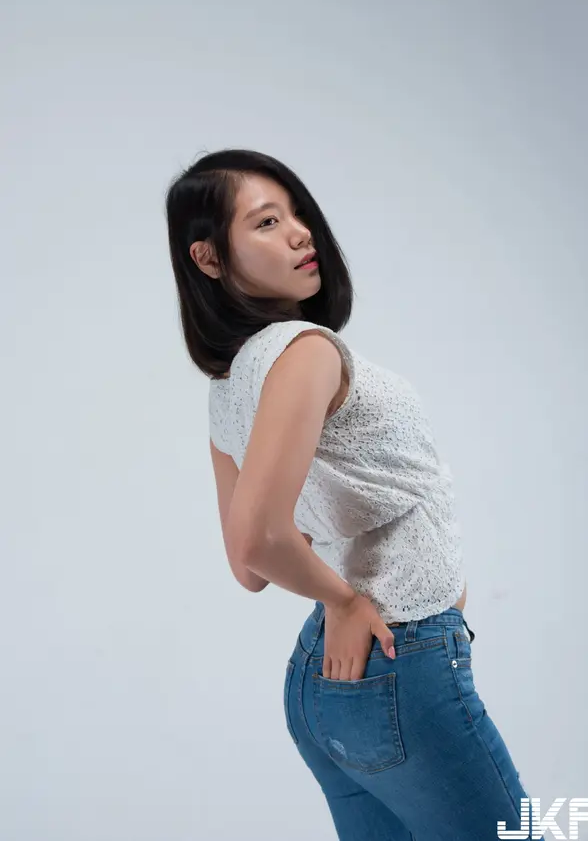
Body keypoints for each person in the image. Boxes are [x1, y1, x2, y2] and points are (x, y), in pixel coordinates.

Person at [165, 149, 540, 840]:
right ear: (209, 258)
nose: (300, 233)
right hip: (403, 663)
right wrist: (344, 599)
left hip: (323, 682)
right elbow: (256, 544)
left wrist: (328, 566)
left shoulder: (228, 387)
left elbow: (249, 569)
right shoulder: (306, 351)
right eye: (267, 222)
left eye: (296, 214)